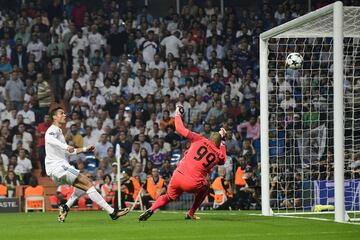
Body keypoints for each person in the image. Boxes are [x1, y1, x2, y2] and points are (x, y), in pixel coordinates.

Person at [139, 104, 227, 221]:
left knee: (169, 196)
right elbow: (223, 160)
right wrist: (223, 142)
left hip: (178, 176)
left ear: (210, 137)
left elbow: (180, 129)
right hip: (193, 182)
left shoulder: (199, 138)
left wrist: (178, 114)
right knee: (206, 186)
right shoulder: (218, 154)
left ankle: (152, 208)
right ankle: (191, 213)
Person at [45, 106, 129, 222]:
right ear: (54, 117)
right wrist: (66, 146)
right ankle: (112, 212)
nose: (64, 115)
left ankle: (65, 207)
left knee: (83, 187)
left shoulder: (59, 132)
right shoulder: (52, 130)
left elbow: (70, 151)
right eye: (61, 113)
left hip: (59, 168)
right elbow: (49, 139)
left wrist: (85, 149)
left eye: (64, 113)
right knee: (88, 183)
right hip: (58, 166)